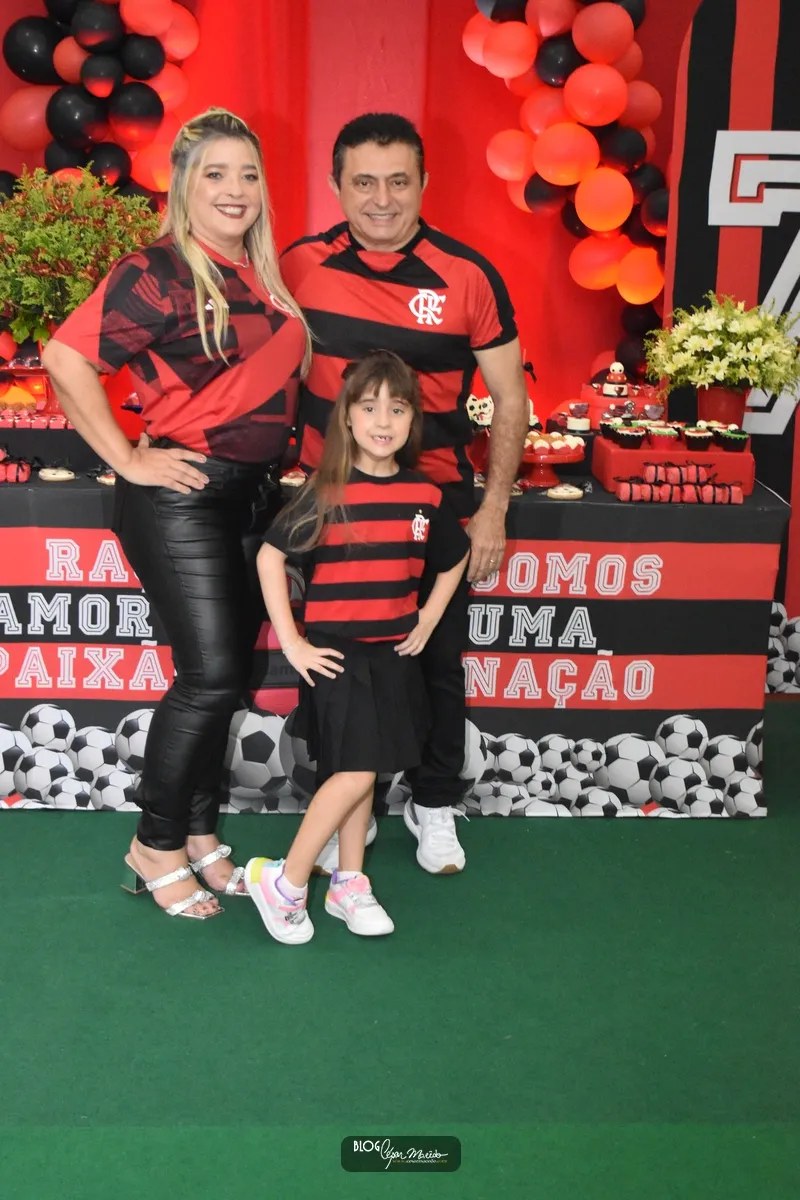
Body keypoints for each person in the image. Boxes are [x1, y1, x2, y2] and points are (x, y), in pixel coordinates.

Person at [42, 108, 310, 920]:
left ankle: (197, 833)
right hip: (180, 498)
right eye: (216, 174)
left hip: (252, 497)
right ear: (184, 186)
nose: (236, 189)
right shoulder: (154, 271)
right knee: (212, 677)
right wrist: (126, 458)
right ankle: (153, 844)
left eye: (249, 174)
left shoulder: (261, 277)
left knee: (222, 679)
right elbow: (65, 357)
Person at [280, 112, 528, 875]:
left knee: (435, 663)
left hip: (434, 506)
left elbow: (510, 399)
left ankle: (434, 801)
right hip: (334, 511)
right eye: (364, 182)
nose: (381, 198)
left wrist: (493, 508)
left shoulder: (468, 275)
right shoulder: (299, 266)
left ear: (424, 182)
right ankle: (342, 804)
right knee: (338, 665)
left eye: (398, 181)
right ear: (336, 185)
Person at [246, 351, 470, 942]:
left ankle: (348, 882)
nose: (382, 421)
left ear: (413, 419)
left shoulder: (426, 495)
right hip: (336, 656)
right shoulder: (326, 491)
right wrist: (292, 643)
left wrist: (428, 617)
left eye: (397, 409)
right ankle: (285, 882)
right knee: (354, 770)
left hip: (392, 654)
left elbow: (455, 557)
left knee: (365, 773)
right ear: (346, 417)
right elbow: (270, 558)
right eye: (369, 407)